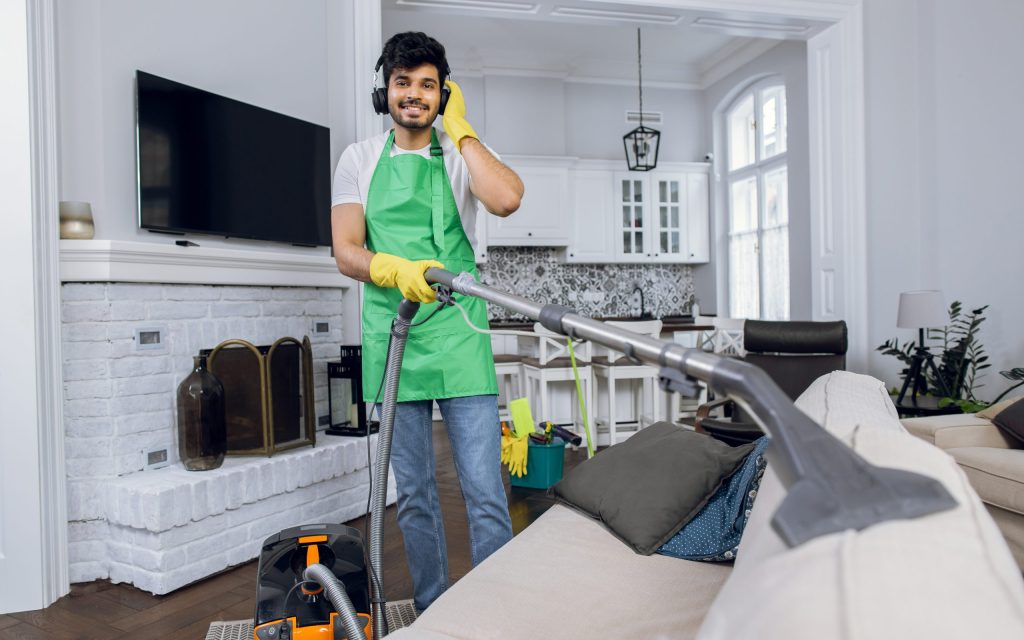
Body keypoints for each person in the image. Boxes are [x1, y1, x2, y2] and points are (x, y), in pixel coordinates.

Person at [330, 31, 523, 611]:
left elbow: (508, 198)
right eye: (402, 82)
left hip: (459, 333)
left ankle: (496, 613)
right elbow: (346, 249)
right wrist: (390, 267)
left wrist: (461, 129)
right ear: (384, 91)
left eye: (427, 85)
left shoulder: (461, 156)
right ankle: (437, 610)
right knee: (413, 494)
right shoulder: (360, 159)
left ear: (444, 94)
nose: (413, 94)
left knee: (485, 490)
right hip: (395, 339)